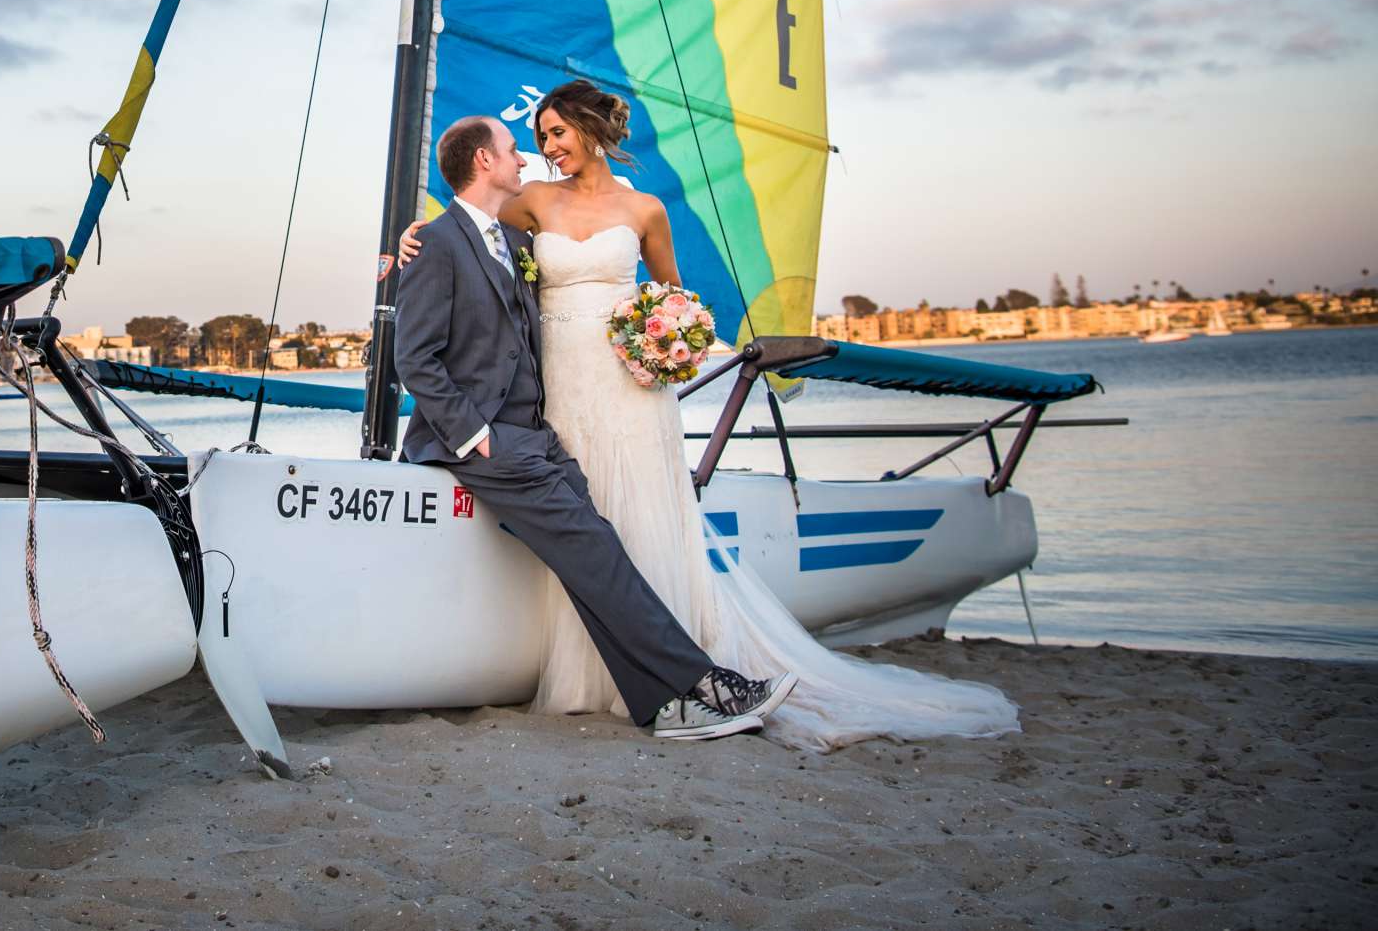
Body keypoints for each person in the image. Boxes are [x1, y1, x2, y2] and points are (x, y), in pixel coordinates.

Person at [402, 81, 1019, 750]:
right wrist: (414, 240)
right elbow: (463, 245)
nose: (541, 150)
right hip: (544, 407)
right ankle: (689, 686)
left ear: (586, 128)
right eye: (532, 140)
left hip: (620, 389)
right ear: (492, 162)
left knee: (610, 533)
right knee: (592, 540)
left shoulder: (643, 210)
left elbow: (672, 297)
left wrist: (669, 335)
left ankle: (675, 687)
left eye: (555, 133)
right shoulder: (526, 205)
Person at [395, 111, 797, 741]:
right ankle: (706, 682)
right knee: (594, 547)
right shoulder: (440, 242)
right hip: (484, 441)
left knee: (592, 552)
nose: (526, 158)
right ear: (483, 162)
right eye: (512, 149)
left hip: (535, 432)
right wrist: (476, 435)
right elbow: (413, 358)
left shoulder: (514, 239)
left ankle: (660, 706)